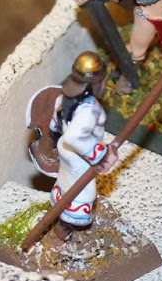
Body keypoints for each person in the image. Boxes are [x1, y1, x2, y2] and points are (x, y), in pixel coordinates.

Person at [49, 87, 119, 230]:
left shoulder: (65, 96)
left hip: (67, 147)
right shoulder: (89, 108)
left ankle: (62, 219)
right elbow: (73, 137)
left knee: (67, 180)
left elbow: (54, 124)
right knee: (83, 191)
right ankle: (66, 225)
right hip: (80, 153)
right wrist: (101, 155)